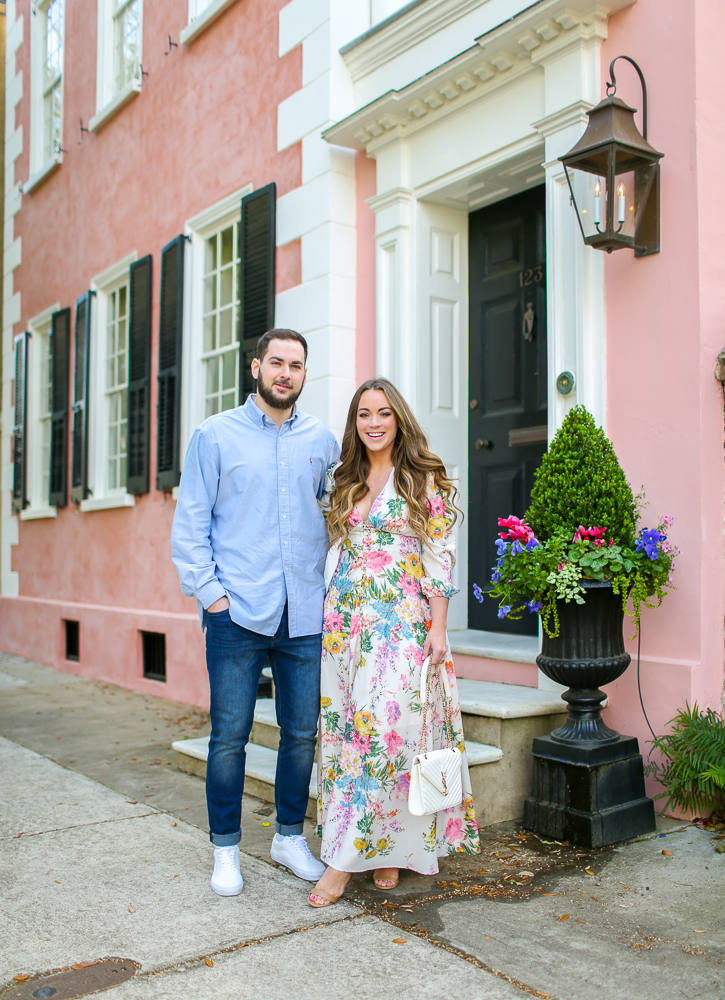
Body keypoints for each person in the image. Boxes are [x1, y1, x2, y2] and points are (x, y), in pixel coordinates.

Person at [171, 328, 339, 896]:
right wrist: (214, 600)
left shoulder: (323, 440)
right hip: (236, 612)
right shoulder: (214, 436)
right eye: (276, 362)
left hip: (305, 613)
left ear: (304, 374)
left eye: (296, 365)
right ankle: (225, 850)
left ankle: (290, 837)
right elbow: (190, 527)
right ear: (255, 367)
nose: (285, 373)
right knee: (229, 736)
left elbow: (340, 515)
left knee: (300, 733)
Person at [308, 378, 480, 908]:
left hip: (399, 622)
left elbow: (441, 556)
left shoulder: (421, 478)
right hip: (343, 625)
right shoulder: (345, 477)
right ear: (354, 423)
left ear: (399, 418)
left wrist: (438, 627)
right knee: (344, 737)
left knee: (383, 735)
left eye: (383, 413)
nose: (374, 423)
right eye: (364, 414)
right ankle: (383, 851)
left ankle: (339, 864)